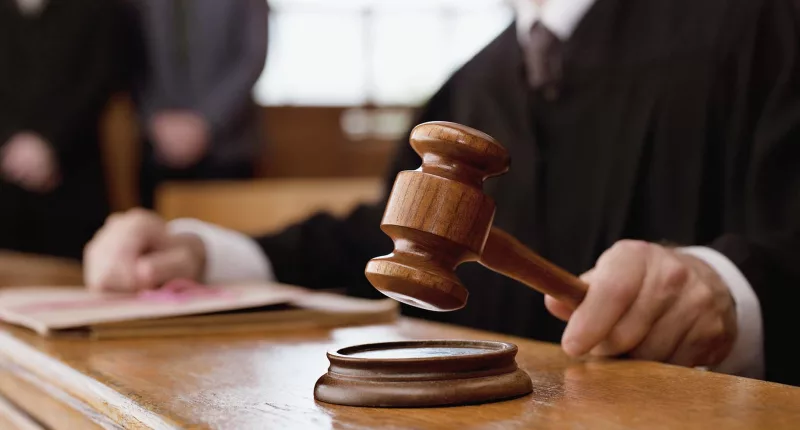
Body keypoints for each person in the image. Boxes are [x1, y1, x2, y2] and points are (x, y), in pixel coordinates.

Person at [84, 0, 800, 387]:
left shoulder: (768, 26)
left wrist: (734, 292)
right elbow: (387, 241)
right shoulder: (469, 83)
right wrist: (201, 252)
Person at [0, 0, 120, 260]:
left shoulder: (96, 8)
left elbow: (100, 77)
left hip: (74, 170)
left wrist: (49, 141)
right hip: (7, 171)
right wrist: (10, 141)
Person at [127, 0, 269, 209]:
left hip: (228, 147)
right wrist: (154, 118)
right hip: (158, 144)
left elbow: (251, 56)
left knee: (226, 230)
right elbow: (125, 56)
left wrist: (206, 122)